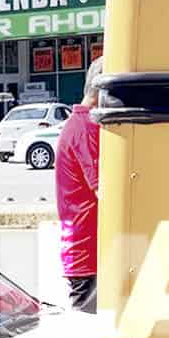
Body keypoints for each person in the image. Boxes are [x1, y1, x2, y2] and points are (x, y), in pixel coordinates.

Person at [54, 84, 101, 312]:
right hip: (87, 251)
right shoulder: (87, 127)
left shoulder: (76, 123)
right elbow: (103, 190)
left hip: (82, 249)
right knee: (90, 334)